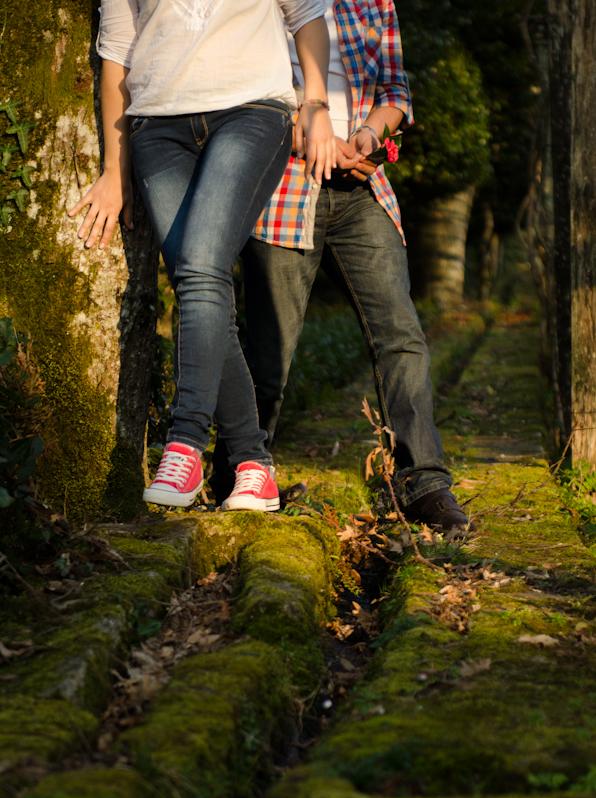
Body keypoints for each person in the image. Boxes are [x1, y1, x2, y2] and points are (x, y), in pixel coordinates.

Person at [68, 0, 335, 511]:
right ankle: (255, 466)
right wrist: (112, 168)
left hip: (252, 112)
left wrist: (315, 104)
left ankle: (184, 443)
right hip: (156, 128)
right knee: (199, 283)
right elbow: (116, 58)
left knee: (202, 271)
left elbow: (306, 17)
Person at [241, 0, 470, 531]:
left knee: (401, 333)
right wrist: (310, 138)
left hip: (361, 189)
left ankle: (424, 482)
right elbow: (242, 98)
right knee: (270, 347)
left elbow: (395, 93)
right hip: (282, 186)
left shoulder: (374, 3)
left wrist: (368, 135)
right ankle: (243, 470)